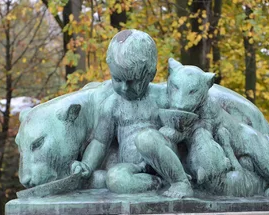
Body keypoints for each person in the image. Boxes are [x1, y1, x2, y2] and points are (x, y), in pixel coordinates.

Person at [70, 29, 194, 198]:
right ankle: (156, 185)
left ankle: (180, 182)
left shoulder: (162, 98)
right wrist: (86, 165)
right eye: (118, 80)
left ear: (151, 75)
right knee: (113, 178)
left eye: (132, 81)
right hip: (134, 169)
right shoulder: (112, 105)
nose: (124, 88)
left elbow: (180, 130)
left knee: (146, 139)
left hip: (162, 163)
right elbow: (100, 142)